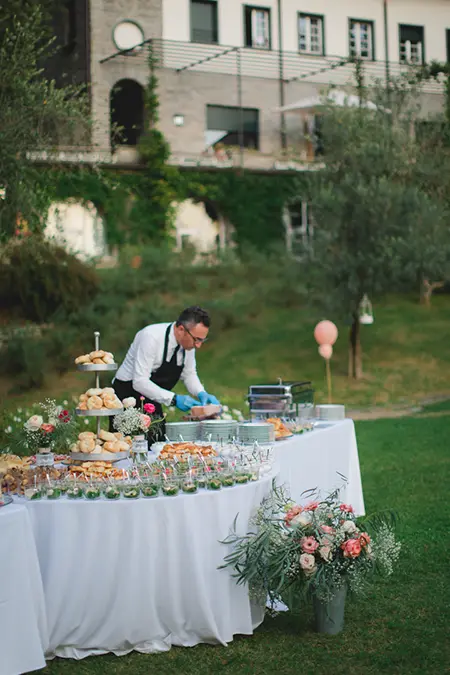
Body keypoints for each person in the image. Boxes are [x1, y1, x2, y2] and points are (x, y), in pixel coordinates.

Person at [113, 306, 220, 442]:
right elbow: (139, 381)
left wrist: (201, 393)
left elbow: (189, 374)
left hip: (153, 398)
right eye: (197, 339)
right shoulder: (151, 336)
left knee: (157, 442)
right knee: (125, 446)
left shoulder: (188, 343)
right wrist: (174, 399)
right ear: (181, 329)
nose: (198, 345)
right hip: (127, 396)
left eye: (202, 340)